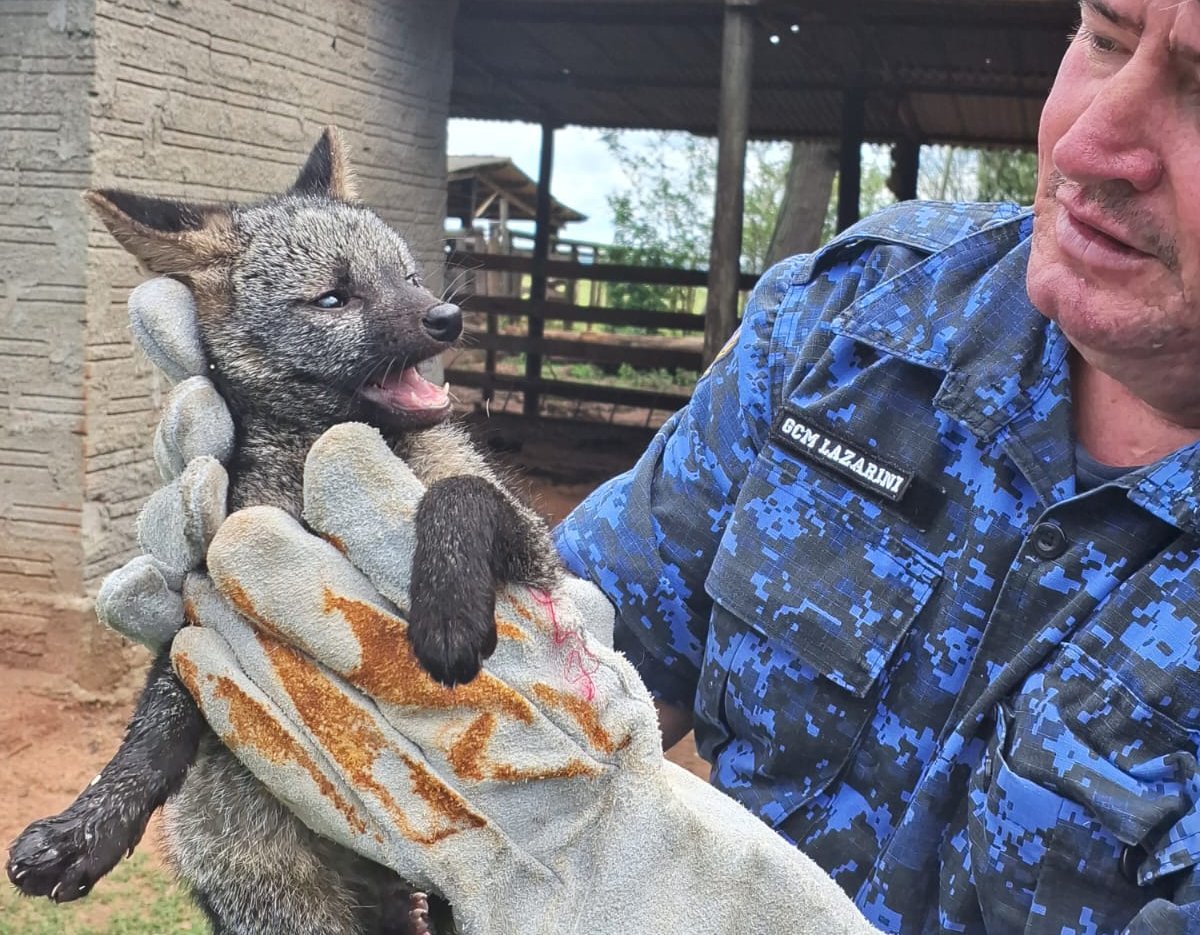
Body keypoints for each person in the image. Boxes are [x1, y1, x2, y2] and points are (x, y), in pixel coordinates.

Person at [97, 0, 1200, 930]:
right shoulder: (854, 323)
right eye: (1104, 37)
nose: (1089, 145)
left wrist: (643, 891)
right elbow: (583, 628)